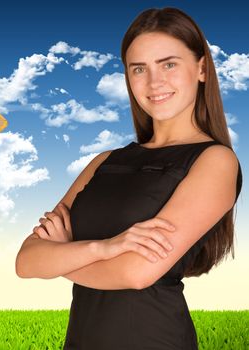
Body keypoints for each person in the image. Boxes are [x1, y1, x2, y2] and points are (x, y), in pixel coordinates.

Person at [15, 7, 243, 350]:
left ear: (201, 68)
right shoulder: (104, 162)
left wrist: (62, 256)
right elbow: (26, 260)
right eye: (139, 69)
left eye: (168, 64)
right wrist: (104, 248)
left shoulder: (215, 161)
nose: (154, 82)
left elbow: (136, 273)